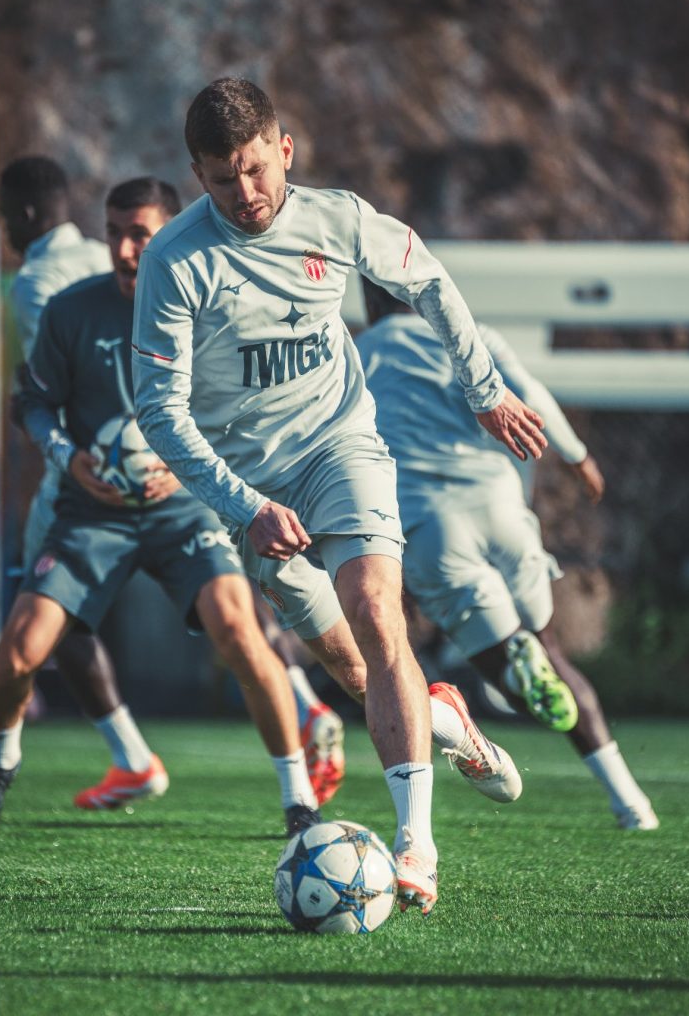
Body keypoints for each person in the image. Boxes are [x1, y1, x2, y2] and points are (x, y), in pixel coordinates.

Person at [131, 78, 546, 914]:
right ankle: (450, 724)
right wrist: (245, 503)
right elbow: (158, 410)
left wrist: (484, 389)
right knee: (354, 672)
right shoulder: (175, 262)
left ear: (284, 150)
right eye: (221, 179)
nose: (244, 195)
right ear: (195, 175)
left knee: (375, 608)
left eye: (255, 170)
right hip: (246, 482)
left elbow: (427, 280)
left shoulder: (338, 217)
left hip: (339, 445)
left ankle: (414, 845)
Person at [0, 176, 323, 837]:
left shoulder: (212, 310)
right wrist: (68, 456)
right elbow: (32, 404)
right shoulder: (71, 311)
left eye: (141, 235)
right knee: (15, 657)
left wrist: (190, 471)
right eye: (114, 233)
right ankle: (0, 757)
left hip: (182, 509)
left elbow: (244, 411)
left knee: (241, 632)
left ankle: (299, 801)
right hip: (88, 512)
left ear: (169, 236)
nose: (125, 250)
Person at [357, 278, 659, 831]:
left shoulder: (359, 355)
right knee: (556, 658)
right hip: (501, 506)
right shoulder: (469, 336)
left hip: (430, 528)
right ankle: (631, 803)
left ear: (369, 303)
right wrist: (577, 456)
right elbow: (530, 396)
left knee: (518, 687)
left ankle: (515, 664)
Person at [0, 156, 167, 807]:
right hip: (163, 460)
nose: (4, 222)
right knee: (230, 603)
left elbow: (51, 390)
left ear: (29, 213)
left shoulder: (36, 282)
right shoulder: (115, 260)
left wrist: (51, 436)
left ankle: (125, 756)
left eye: (5, 208)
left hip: (87, 472)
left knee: (51, 611)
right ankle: (301, 710)